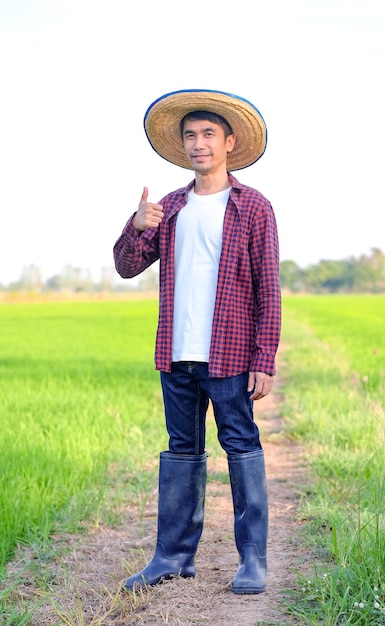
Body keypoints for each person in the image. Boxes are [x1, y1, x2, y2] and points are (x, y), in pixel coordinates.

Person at [113, 89, 281, 595]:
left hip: (229, 354)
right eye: (191, 135)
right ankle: (172, 557)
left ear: (229, 142)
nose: (199, 143)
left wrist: (264, 357)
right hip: (177, 354)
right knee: (181, 451)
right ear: (182, 145)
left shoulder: (253, 207)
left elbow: (268, 288)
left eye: (209, 134)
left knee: (241, 448)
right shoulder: (167, 208)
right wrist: (133, 225)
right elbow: (126, 266)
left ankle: (252, 560)